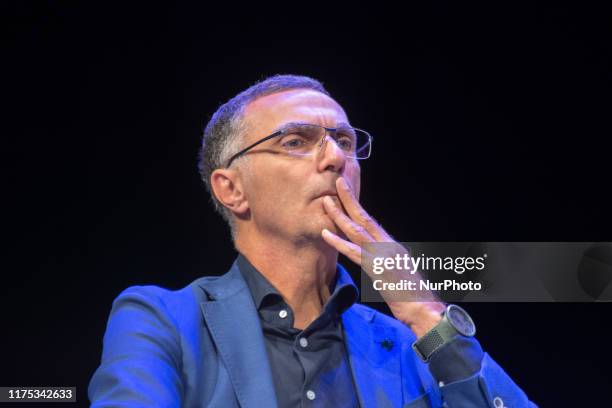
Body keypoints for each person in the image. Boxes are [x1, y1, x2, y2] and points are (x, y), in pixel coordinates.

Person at [89, 74, 536, 407]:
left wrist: (424, 312)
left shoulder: (406, 342)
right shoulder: (161, 321)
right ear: (232, 189)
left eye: (343, 139)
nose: (335, 157)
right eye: (296, 141)